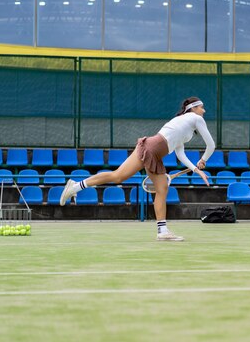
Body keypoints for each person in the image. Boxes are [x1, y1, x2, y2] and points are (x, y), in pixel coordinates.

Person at [59, 96, 215, 241]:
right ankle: (162, 231)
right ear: (193, 108)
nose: (204, 111)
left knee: (122, 178)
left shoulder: (183, 123)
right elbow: (211, 145)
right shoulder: (195, 118)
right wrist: (203, 159)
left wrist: (196, 168)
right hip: (151, 149)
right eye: (202, 107)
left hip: (152, 150)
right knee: (153, 187)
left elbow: (180, 152)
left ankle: (75, 187)